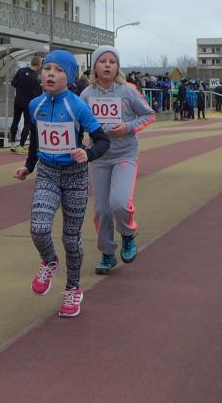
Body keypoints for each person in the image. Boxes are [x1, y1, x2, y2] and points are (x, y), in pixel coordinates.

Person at [13, 50, 110, 318]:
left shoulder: (77, 106)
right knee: (39, 228)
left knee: (71, 238)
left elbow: (103, 141)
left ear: (69, 77)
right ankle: (49, 261)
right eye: (47, 69)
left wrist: (87, 154)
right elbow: (36, 140)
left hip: (75, 177)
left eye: (58, 70)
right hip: (47, 173)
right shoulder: (35, 105)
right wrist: (28, 166)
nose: (51, 74)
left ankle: (73, 288)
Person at [80, 46, 155, 275]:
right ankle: (108, 253)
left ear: (117, 67)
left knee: (119, 203)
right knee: (102, 210)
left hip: (125, 155)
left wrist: (127, 127)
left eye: (112, 62)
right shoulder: (86, 95)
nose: (107, 65)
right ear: (95, 67)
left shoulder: (128, 90)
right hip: (100, 158)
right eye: (103, 61)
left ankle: (128, 233)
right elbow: (78, 122)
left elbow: (149, 115)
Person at [9, 57, 42, 152]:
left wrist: (21, 88)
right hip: (28, 103)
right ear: (39, 65)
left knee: (15, 120)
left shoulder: (21, 71)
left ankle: (12, 143)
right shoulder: (36, 77)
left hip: (18, 100)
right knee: (27, 124)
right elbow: (38, 94)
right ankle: (21, 146)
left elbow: (13, 83)